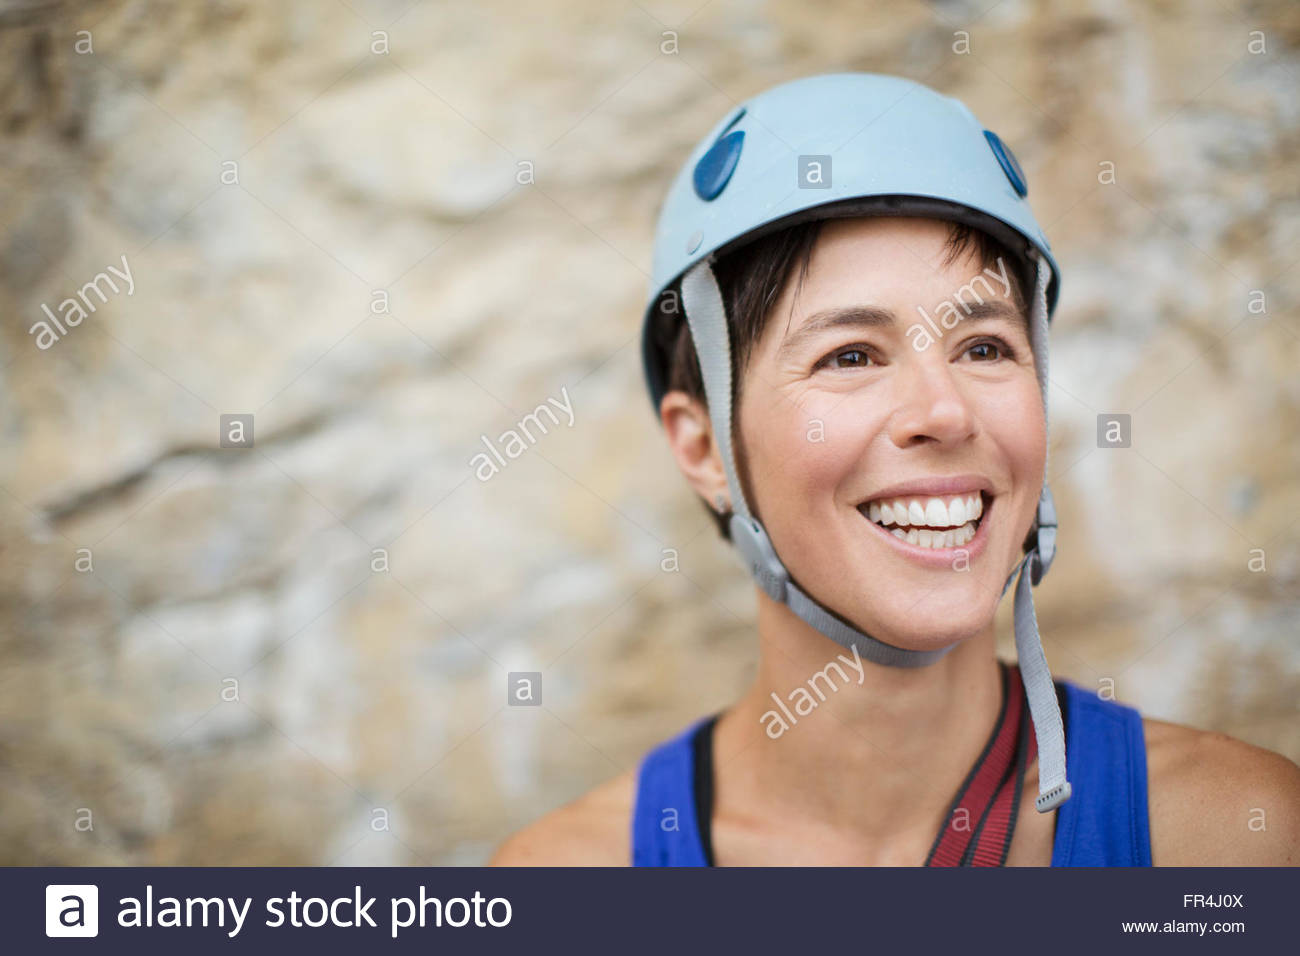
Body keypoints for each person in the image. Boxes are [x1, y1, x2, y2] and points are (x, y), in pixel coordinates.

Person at [491, 73, 1300, 866]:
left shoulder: (1237, 838)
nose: (944, 412)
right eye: (850, 356)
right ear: (703, 449)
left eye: (984, 347)